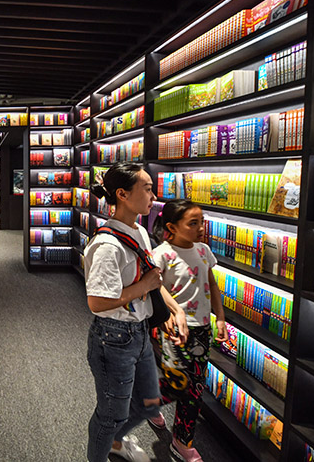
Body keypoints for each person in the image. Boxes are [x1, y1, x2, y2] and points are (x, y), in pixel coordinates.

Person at [84, 162, 187, 462]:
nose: (154, 196)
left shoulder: (139, 231)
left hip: (140, 332)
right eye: (147, 189)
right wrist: (143, 287)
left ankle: (115, 442)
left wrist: (173, 309)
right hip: (114, 338)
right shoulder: (107, 245)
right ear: (123, 194)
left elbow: (152, 278)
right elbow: (97, 302)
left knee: (148, 403)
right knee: (111, 414)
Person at [148, 199, 228, 462]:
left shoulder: (204, 251)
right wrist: (168, 313)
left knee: (194, 388)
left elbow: (212, 285)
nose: (201, 228)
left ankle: (182, 441)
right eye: (193, 223)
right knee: (178, 384)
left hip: (202, 329)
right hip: (175, 329)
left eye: (201, 222)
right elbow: (155, 286)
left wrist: (220, 318)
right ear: (172, 227)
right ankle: (147, 402)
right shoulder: (162, 254)